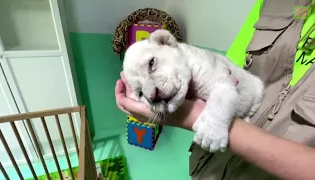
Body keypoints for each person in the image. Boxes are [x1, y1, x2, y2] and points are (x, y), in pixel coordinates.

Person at [115, 0, 315, 179]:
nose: (152, 94)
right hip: (212, 166)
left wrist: (192, 115)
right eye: (142, 93)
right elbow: (233, 71)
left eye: (151, 64)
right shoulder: (274, 4)